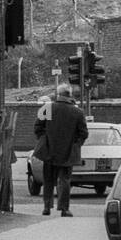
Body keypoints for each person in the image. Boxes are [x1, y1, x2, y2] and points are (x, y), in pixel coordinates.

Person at [34, 82, 88, 217]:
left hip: (49, 150)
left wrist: (44, 141)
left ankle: (47, 207)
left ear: (58, 95)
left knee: (48, 180)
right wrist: (76, 145)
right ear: (69, 95)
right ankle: (64, 208)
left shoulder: (48, 108)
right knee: (64, 180)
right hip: (68, 151)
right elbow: (83, 133)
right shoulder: (77, 112)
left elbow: (38, 128)